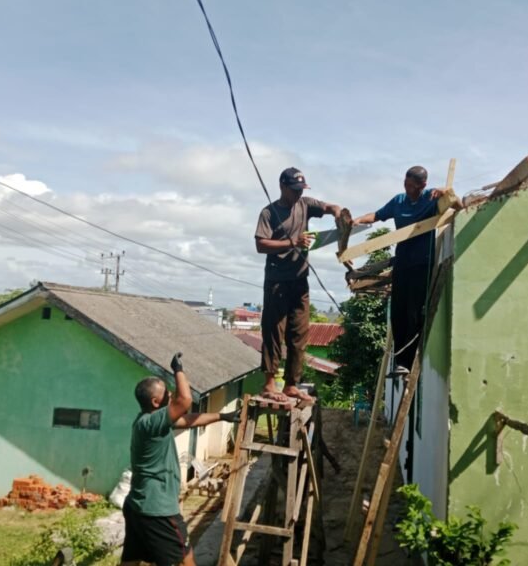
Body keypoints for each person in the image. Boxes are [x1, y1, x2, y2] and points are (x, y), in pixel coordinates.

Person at [121, 353, 239, 566]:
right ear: (156, 402)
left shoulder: (151, 422)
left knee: (132, 559)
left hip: (138, 505)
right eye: (167, 394)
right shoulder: (151, 423)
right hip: (158, 511)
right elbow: (185, 402)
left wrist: (222, 416)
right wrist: (178, 369)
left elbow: (188, 419)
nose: (171, 395)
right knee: (185, 559)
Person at [352, 165, 450, 375]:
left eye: (412, 186)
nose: (408, 189)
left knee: (413, 311)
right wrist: (359, 220)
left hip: (422, 264)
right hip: (403, 262)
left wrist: (446, 192)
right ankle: (399, 361)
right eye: (405, 184)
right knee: (397, 313)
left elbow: (457, 205)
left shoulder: (431, 198)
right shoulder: (398, 201)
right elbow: (377, 215)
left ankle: (406, 362)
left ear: (422, 185)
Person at [254, 167, 341, 403]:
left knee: (299, 334)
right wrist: (293, 242)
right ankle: (269, 384)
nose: (298, 195)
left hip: (299, 281)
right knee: (274, 332)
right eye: (294, 190)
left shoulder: (305, 204)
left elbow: (329, 206)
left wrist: (338, 213)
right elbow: (260, 245)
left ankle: (291, 384)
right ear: (282, 187)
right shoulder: (269, 213)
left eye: (301, 190)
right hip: (276, 281)